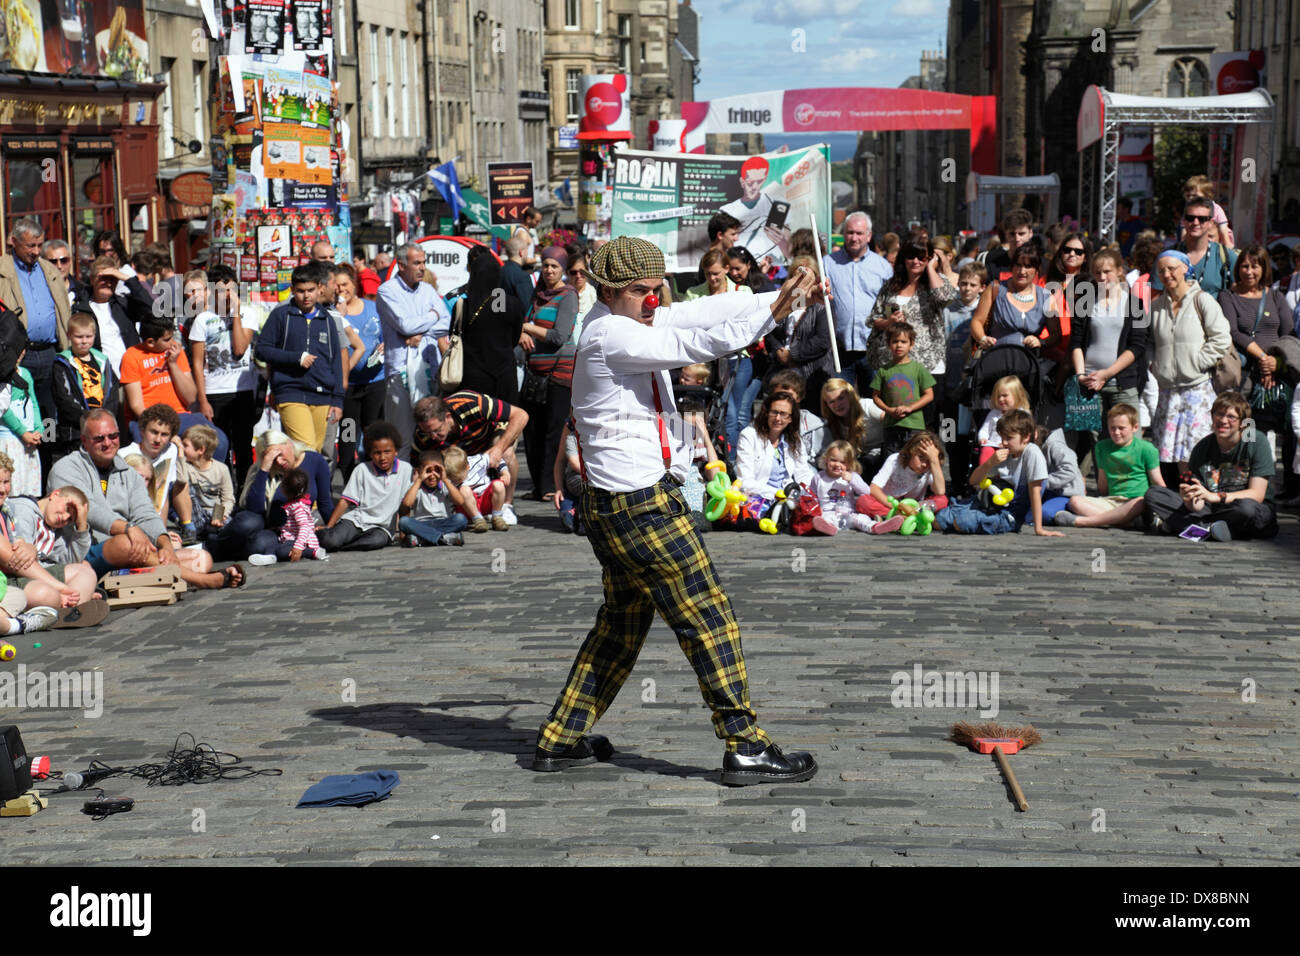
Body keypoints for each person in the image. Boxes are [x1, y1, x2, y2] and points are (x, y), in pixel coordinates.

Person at [533, 235, 820, 786]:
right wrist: (776, 311)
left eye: (656, 288)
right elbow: (699, 342)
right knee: (709, 619)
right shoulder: (609, 334)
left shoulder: (629, 319)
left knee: (621, 626)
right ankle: (745, 745)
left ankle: (562, 737)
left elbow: (699, 310)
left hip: (620, 503)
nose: (653, 300)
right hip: (641, 507)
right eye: (642, 291)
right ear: (611, 290)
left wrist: (773, 297)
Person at [47, 409, 243, 588]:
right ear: (84, 440)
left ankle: (135, 574)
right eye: (99, 439)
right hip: (80, 553)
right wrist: (129, 528)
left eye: (113, 436)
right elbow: (88, 509)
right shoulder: (66, 468)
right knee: (127, 543)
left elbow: (145, 512)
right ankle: (202, 581)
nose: (107, 443)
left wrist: (164, 544)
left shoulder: (127, 471)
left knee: (202, 558)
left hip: (128, 549)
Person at [1143, 392, 1277, 540]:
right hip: (1211, 510)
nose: (1223, 421)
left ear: (1242, 423)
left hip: (1247, 509)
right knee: (1154, 494)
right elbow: (1199, 504)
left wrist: (1216, 497)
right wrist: (1190, 500)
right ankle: (1213, 529)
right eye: (1219, 414)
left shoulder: (1256, 441)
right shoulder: (1202, 447)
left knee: (1246, 509)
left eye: (1231, 417)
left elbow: (1257, 494)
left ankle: (1188, 526)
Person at [1148, 249, 1233, 485]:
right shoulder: (1156, 307)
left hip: (1196, 388)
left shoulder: (1202, 300)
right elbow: (1150, 344)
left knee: (1197, 449)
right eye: (1161, 269)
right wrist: (1156, 366)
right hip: (1168, 390)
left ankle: (1205, 498)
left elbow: (1221, 338)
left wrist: (1198, 363)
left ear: (1186, 268)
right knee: (1172, 452)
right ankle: (1180, 501)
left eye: (1172, 268)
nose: (1166, 274)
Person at [0, 218, 72, 473]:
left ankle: (51, 465)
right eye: (30, 245)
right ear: (14, 242)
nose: (35, 251)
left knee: (50, 414)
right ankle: (18, 473)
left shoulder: (47, 269)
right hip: (19, 357)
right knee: (20, 414)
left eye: (39, 245)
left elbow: (63, 310)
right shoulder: (3, 269)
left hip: (50, 353)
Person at [256, 263, 344, 454]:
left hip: (322, 394)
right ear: (292, 290)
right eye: (300, 291)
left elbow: (336, 361)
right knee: (306, 449)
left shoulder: (327, 318)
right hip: (290, 391)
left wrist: (337, 400)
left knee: (315, 453)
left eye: (311, 290)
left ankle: (304, 485)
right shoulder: (281, 315)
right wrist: (296, 358)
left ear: (319, 288)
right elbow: (261, 350)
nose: (306, 296)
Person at [935, 409, 1062, 537]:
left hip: (1008, 513)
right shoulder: (1005, 453)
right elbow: (973, 481)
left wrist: (1038, 529)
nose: (1004, 442)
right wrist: (990, 463)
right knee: (939, 520)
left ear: (1026, 437)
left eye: (1009, 438)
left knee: (962, 522)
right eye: (1002, 437)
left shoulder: (1032, 453)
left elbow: (1035, 492)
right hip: (986, 503)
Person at [411, 392, 528, 523]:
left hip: (488, 440)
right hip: (458, 456)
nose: (432, 436)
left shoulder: (472, 403)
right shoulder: (422, 434)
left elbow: (521, 415)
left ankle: (507, 505)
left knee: (505, 452)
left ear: (447, 416)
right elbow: (416, 465)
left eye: (436, 430)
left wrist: (499, 449)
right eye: (428, 432)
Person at [188, 265, 257, 482]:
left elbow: (239, 349)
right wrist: (202, 399)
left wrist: (235, 315)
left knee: (243, 448)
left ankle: (243, 496)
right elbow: (197, 363)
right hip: (215, 393)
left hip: (242, 391)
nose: (226, 296)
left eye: (231, 290)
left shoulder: (248, 314)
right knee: (218, 450)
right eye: (221, 290)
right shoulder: (202, 319)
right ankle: (222, 496)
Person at [520, 246, 577, 500]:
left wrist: (528, 328)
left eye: (555, 266)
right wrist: (522, 332)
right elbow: (524, 321)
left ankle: (550, 486)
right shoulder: (537, 294)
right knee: (532, 431)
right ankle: (537, 484)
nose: (549, 270)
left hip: (559, 374)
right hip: (535, 374)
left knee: (554, 431)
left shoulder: (568, 296)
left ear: (562, 270)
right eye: (546, 265)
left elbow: (558, 336)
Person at [1069, 248, 1149, 423]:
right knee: (1096, 443)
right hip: (1090, 385)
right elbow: (1075, 343)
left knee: (1128, 441)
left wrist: (1107, 374)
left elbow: (1137, 346)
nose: (1102, 277)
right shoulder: (1084, 303)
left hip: (1122, 384)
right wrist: (1081, 375)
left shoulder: (1136, 304)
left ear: (1119, 271)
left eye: (1107, 272)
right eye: (1097, 273)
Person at [1055, 404, 1161, 529]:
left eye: (1121, 428)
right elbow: (1103, 486)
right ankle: (1126, 523)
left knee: (1140, 502)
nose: (1116, 432)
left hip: (1135, 501)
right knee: (1074, 501)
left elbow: (1157, 481)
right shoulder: (1102, 447)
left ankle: (1082, 522)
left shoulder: (1147, 449)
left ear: (1135, 427)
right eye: (1112, 428)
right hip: (1112, 501)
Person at [822, 211, 894, 392]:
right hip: (839, 350)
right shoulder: (827, 263)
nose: (854, 238)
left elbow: (889, 304)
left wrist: (886, 324)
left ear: (868, 236)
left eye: (859, 233)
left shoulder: (882, 267)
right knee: (838, 404)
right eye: (850, 232)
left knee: (874, 406)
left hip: (873, 350)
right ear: (844, 234)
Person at [4, 482, 104, 613]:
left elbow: (72, 559)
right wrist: (60, 588)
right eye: (67, 509)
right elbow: (21, 557)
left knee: (86, 570)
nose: (64, 517)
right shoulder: (24, 509)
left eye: (70, 519)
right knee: (45, 594)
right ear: (55, 494)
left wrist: (82, 525)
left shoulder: (54, 530)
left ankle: (72, 609)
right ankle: (71, 607)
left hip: (39, 576)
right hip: (17, 575)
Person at [375, 244, 451, 408]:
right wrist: (434, 315)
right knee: (404, 429)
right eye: (416, 263)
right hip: (400, 370)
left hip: (430, 366)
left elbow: (447, 322)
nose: (422, 268)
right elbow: (406, 325)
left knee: (430, 427)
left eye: (424, 262)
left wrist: (423, 334)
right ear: (401, 265)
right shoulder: (387, 291)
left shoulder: (428, 290)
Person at [317, 421, 410, 552]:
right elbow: (345, 501)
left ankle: (342, 546)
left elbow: (405, 504)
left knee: (375, 541)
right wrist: (329, 526)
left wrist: (403, 533)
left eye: (387, 452)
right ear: (370, 453)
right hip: (356, 520)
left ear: (396, 451)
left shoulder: (406, 470)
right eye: (377, 453)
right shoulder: (362, 469)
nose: (382, 457)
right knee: (330, 540)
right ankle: (323, 538)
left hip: (381, 527)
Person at [763, 255, 835, 407]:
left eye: (807, 276)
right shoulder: (782, 301)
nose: (802, 281)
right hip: (782, 371)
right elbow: (769, 329)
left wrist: (792, 355)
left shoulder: (822, 305)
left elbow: (823, 340)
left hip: (812, 373)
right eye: (798, 276)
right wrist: (778, 350)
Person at [120, 403, 196, 543]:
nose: (158, 439)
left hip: (154, 526)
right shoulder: (123, 455)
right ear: (142, 431)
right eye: (154, 432)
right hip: (131, 526)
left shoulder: (171, 451)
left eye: (164, 434)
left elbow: (163, 496)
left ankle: (188, 527)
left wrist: (161, 532)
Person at [52, 310, 119, 460]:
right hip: (76, 431)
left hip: (102, 430)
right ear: (69, 336)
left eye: (88, 336)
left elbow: (112, 392)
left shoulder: (102, 361)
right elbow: (64, 398)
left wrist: (104, 419)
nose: (84, 341)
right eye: (79, 337)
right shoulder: (62, 363)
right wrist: (87, 422)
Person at [73, 256, 150, 377]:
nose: (108, 283)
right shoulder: (80, 309)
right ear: (92, 280)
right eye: (103, 278)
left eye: (113, 279)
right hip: (102, 378)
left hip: (133, 375)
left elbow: (151, 311)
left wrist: (128, 279)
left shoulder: (123, 304)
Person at [870, 321, 936, 459]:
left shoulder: (918, 369)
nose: (899, 345)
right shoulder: (883, 370)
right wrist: (889, 410)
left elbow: (929, 395)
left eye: (903, 341)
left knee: (914, 460)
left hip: (914, 425)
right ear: (888, 344)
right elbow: (876, 396)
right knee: (891, 460)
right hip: (891, 425)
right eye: (895, 341)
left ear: (911, 344)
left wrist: (910, 408)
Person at [858, 431, 948, 531]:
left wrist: (934, 460)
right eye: (921, 458)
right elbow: (874, 489)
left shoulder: (930, 467)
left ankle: (904, 518)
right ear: (910, 451)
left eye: (928, 460)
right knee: (863, 501)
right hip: (890, 504)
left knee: (942, 499)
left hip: (915, 507)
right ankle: (899, 518)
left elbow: (940, 491)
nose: (924, 464)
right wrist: (897, 506)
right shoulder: (894, 460)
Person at [734, 391, 814, 499]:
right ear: (766, 413)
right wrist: (779, 494)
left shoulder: (794, 439)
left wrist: (810, 492)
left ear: (790, 418)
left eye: (783, 414)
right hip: (759, 499)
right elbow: (745, 481)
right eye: (774, 412)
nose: (778, 418)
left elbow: (803, 473)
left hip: (789, 499)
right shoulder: (749, 435)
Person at [1153, 196, 1237, 297]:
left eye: (1202, 219)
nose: (1195, 223)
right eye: (1190, 218)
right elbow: (1154, 298)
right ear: (1183, 221)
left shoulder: (1227, 256)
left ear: (1210, 223)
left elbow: (1241, 296)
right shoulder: (1166, 257)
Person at [248, 467, 327, 565]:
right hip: (291, 538)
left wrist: (298, 547)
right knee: (273, 545)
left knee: (282, 552)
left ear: (285, 490)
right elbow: (292, 525)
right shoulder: (294, 504)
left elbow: (304, 527)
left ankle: (313, 552)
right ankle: (270, 556)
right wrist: (280, 529)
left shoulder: (298, 507)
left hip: (303, 542)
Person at [398, 448, 468, 547]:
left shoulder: (445, 485)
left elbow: (460, 501)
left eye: (437, 470)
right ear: (419, 471)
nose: (432, 475)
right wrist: (419, 480)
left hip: (443, 522)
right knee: (404, 522)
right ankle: (443, 538)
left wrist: (445, 480)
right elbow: (407, 503)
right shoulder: (416, 486)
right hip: (422, 524)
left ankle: (422, 539)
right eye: (428, 471)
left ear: (443, 470)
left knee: (461, 519)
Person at [805, 440, 873, 535]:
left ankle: (874, 527)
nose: (837, 464)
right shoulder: (819, 477)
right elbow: (811, 496)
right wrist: (816, 508)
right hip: (827, 512)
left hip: (849, 513)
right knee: (825, 519)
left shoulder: (852, 476)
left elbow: (867, 492)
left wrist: (852, 480)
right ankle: (828, 528)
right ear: (826, 459)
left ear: (849, 464)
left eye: (843, 462)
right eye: (833, 460)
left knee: (861, 518)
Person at [180, 423, 235, 538]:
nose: (181, 448)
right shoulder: (185, 466)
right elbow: (181, 480)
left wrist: (220, 516)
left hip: (215, 512)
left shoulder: (221, 469)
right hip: (196, 513)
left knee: (227, 528)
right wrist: (180, 455)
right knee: (188, 488)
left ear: (201, 450)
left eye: (185, 445)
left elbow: (227, 498)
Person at [0, 346, 41, 496]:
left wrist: (38, 429)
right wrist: (22, 432)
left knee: (27, 488)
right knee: (13, 488)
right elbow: (4, 410)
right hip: (9, 440)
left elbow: (33, 402)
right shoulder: (3, 377)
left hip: (28, 441)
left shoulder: (26, 374)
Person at [820, 376, 884, 471]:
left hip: (883, 451)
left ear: (849, 396)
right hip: (859, 459)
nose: (837, 405)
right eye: (832, 402)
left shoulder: (866, 406)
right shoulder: (831, 423)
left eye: (841, 398)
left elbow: (890, 420)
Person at [443, 444, 508, 532]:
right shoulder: (447, 476)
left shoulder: (477, 461)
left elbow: (497, 459)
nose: (456, 481)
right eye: (453, 479)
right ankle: (478, 519)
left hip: (486, 500)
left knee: (498, 485)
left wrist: (504, 473)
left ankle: (497, 516)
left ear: (467, 467)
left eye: (459, 479)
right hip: (466, 507)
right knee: (464, 489)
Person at [976, 375, 1032, 466]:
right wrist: (983, 438)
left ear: (1017, 395)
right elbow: (985, 429)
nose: (1001, 399)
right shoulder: (994, 413)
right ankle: (985, 474)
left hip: (1014, 448)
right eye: (998, 396)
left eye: (1005, 395)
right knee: (986, 450)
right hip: (994, 445)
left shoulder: (1023, 414)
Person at [41, 238, 83, 306]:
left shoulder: (83, 291)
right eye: (53, 261)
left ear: (70, 261)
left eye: (64, 260)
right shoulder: (38, 293)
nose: (59, 266)